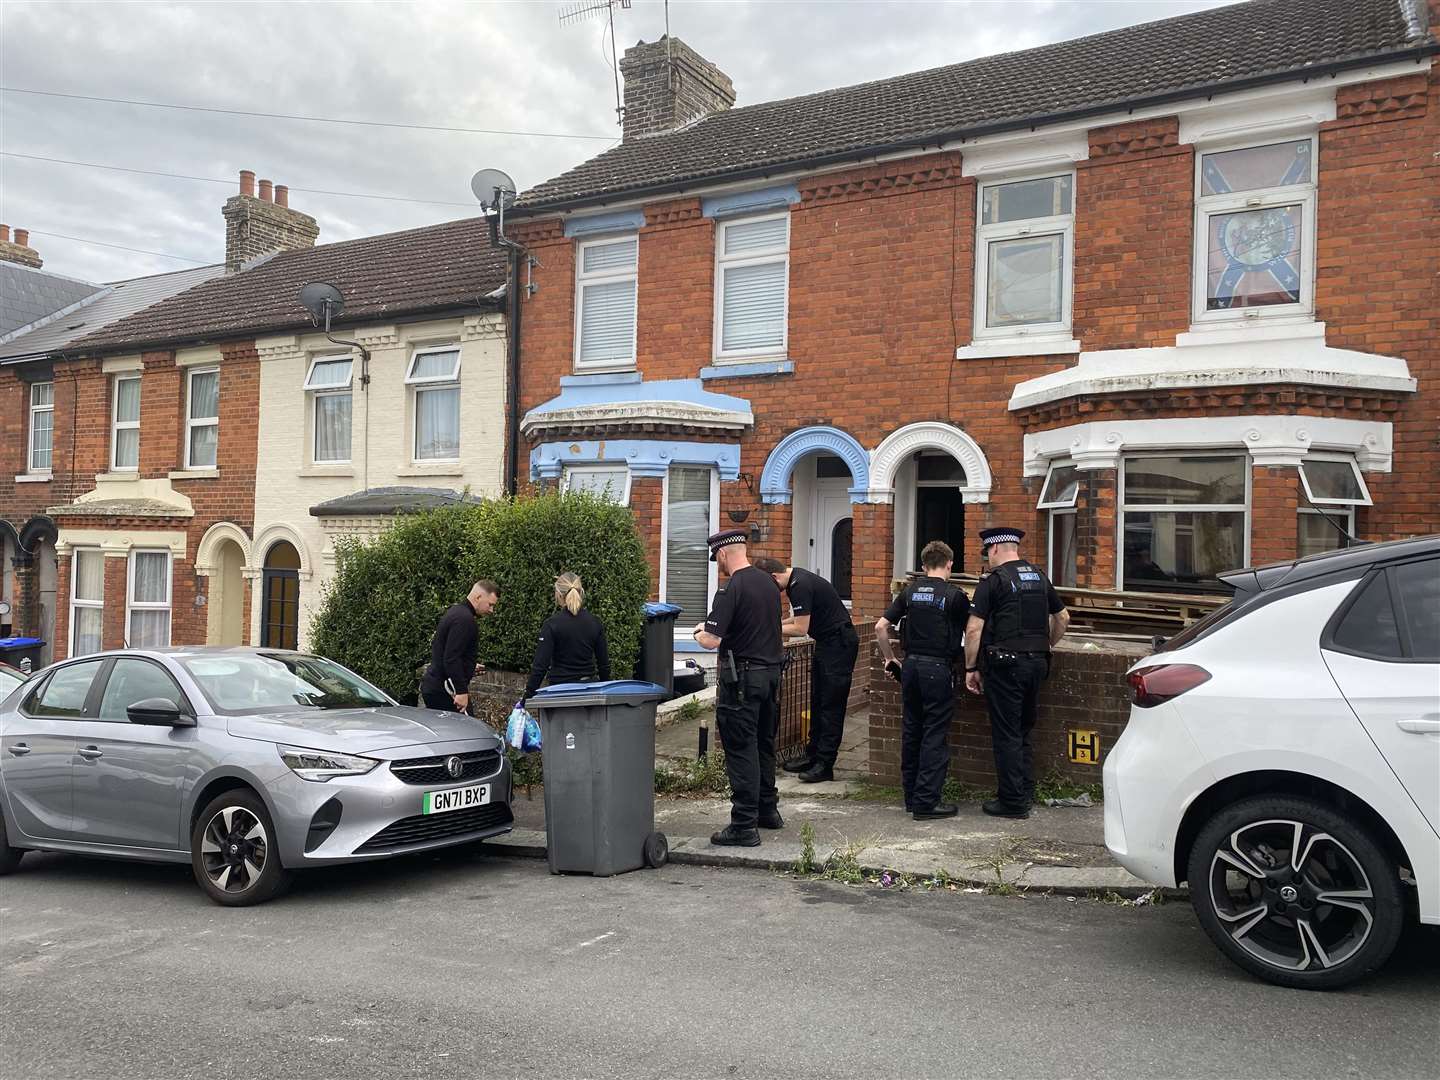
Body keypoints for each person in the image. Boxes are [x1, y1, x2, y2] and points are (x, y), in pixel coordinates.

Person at [963, 527, 1070, 819]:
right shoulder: (1038, 576)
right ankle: (1025, 790)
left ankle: (1012, 802)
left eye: (987, 552)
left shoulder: (994, 581)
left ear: (994, 549)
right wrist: (1047, 644)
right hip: (1037, 663)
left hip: (1006, 666)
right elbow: (1062, 617)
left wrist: (971, 667)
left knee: (1007, 733)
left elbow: (974, 628)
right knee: (1023, 729)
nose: (988, 557)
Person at [692, 529, 785, 847]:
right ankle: (767, 811)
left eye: (716, 558)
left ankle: (744, 825)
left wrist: (698, 631)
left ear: (722, 554)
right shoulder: (769, 584)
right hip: (771, 677)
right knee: (763, 745)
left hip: (742, 681)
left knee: (740, 748)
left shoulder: (731, 588)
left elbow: (712, 639)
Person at [874, 540, 971, 820]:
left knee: (912, 730)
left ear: (923, 565)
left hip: (912, 667)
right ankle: (927, 803)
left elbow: (882, 627)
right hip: (938, 669)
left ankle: (911, 797)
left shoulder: (910, 592)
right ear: (949, 563)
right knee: (934, 735)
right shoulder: (955, 596)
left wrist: (890, 658)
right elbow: (973, 631)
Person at [753, 557, 859, 783]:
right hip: (827, 643)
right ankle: (812, 755)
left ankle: (825, 764)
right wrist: (772, 622)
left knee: (831, 705)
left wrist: (768, 628)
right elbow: (798, 617)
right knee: (817, 701)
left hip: (839, 644)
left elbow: (801, 628)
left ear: (773, 578)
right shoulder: (797, 580)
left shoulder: (799, 585)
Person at [524, 573, 610, 699]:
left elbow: (540, 666)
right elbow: (604, 665)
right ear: (581, 592)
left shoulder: (552, 624)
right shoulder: (594, 622)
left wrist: (527, 697)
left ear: (558, 594)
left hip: (560, 693)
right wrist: (605, 693)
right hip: (589, 691)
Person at [420, 580, 500, 712]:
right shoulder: (465, 620)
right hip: (447, 689)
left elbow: (445, 650)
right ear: (478, 597)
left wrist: (468, 666)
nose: (491, 610)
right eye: (490, 604)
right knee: (466, 730)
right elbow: (451, 658)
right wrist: (461, 692)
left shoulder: (456, 612)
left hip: (437, 685)